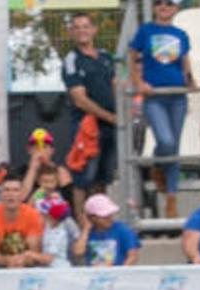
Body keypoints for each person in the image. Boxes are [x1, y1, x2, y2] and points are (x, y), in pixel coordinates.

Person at [129, 0, 193, 219]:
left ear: (175, 8)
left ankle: (171, 200)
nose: (164, 6)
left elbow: (185, 63)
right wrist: (138, 82)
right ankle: (157, 163)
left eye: (169, 3)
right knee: (165, 141)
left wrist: (190, 81)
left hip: (178, 96)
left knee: (174, 148)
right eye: (159, 3)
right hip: (154, 96)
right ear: (155, 7)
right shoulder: (145, 31)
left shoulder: (182, 34)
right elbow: (131, 56)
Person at [62, 12, 117, 220]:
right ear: (71, 33)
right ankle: (82, 223)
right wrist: (109, 117)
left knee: (102, 178)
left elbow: (116, 85)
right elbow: (79, 99)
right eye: (76, 27)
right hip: (87, 128)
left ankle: (101, 219)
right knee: (82, 177)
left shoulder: (105, 56)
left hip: (110, 127)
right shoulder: (72, 60)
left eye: (86, 26)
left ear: (94, 30)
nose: (82, 31)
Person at [0, 178, 45, 268]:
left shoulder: (33, 215)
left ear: (22, 194)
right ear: (1, 194)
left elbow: (34, 251)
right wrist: (8, 261)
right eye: (7, 190)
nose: (11, 194)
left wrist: (21, 262)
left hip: (26, 264)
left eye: (15, 190)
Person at [73, 193, 140, 267]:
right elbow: (78, 252)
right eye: (104, 216)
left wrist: (121, 272)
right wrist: (86, 228)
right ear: (92, 218)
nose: (109, 218)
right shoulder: (87, 233)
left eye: (110, 214)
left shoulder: (123, 230)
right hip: (93, 276)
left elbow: (132, 255)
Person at [21, 128, 72, 204]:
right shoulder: (21, 171)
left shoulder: (60, 172)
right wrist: (32, 169)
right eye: (36, 148)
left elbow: (69, 203)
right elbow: (21, 198)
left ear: (52, 151)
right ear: (29, 150)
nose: (40, 151)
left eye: (44, 147)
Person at [33, 196, 78, 268]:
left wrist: (28, 254)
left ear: (52, 218)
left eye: (43, 214)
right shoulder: (48, 226)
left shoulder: (59, 234)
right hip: (49, 269)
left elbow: (47, 259)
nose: (39, 215)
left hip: (59, 270)